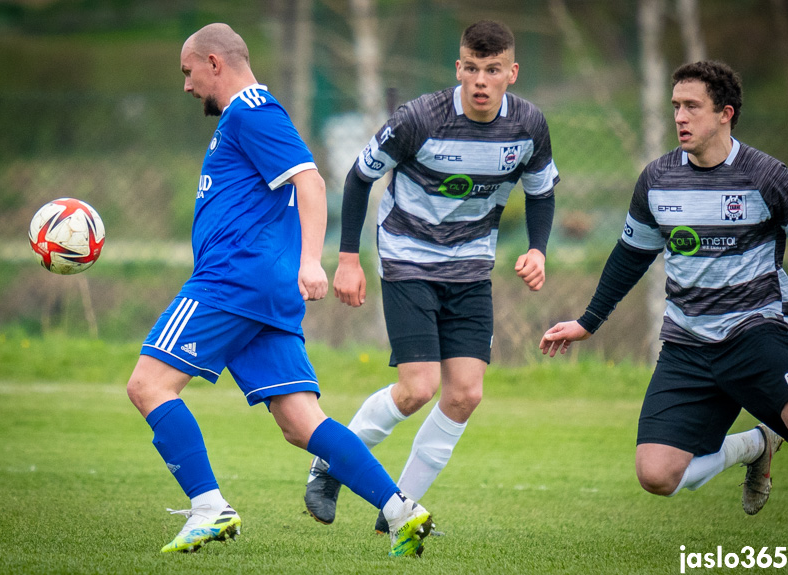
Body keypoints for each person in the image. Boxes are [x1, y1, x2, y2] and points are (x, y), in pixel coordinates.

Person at [125, 23, 433, 557]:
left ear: (214, 63)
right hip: (260, 293)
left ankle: (208, 509)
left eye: (188, 71)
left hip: (230, 282)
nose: (186, 85)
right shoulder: (246, 116)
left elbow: (310, 182)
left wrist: (312, 261)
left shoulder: (252, 111)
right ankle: (400, 510)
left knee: (149, 385)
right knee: (300, 422)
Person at [541, 60, 788, 513]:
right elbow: (630, 257)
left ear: (725, 114)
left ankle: (773, 435)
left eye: (692, 106)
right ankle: (756, 446)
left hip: (755, 330)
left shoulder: (766, 175)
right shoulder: (657, 179)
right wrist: (587, 322)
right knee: (656, 475)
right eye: (675, 106)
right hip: (687, 343)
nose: (679, 116)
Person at [304, 20, 559, 533]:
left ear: (512, 73)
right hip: (408, 258)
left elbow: (541, 190)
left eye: (492, 70)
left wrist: (537, 249)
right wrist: (348, 258)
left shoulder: (529, 125)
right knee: (418, 388)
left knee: (465, 393)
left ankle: (397, 514)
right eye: (471, 68)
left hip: (471, 269)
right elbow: (358, 177)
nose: (480, 80)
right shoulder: (419, 118)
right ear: (458, 68)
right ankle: (329, 466)